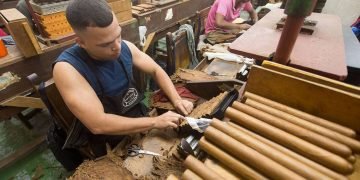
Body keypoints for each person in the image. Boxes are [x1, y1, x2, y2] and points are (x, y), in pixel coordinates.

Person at [53, 0, 194, 158]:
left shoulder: (124, 47)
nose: (117, 46)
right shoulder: (67, 69)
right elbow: (98, 124)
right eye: (105, 44)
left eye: (118, 35)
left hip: (140, 118)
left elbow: (155, 69)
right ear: (81, 43)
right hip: (111, 138)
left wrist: (176, 99)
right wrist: (154, 122)